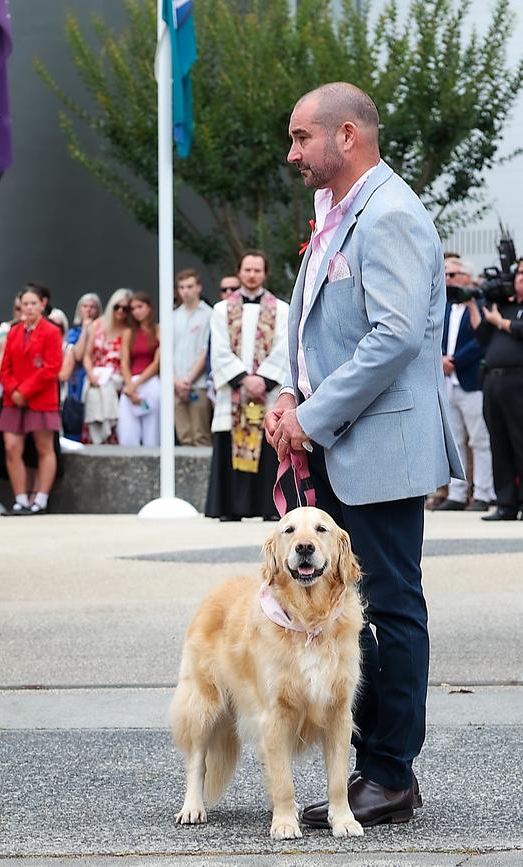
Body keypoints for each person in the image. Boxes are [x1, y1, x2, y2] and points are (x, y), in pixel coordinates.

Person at [266, 82, 463, 828]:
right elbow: (324, 331)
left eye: (301, 138)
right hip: (343, 440)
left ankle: (390, 776)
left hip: (378, 447)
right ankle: (367, 768)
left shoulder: (390, 215)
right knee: (355, 609)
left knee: (390, 610)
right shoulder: (336, 216)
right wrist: (291, 396)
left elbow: (393, 336)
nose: (293, 154)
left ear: (347, 135)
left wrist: (312, 415)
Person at [205, 250, 289, 521]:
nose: (252, 275)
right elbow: (218, 350)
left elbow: (284, 348)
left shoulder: (281, 309)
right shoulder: (221, 310)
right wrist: (243, 379)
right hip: (234, 393)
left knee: (267, 446)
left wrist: (263, 380)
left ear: (265, 273)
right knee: (231, 443)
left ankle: (270, 508)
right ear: (239, 272)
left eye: (257, 270)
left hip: (267, 392)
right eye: (247, 270)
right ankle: (230, 508)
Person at [434, 257, 494, 511]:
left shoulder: (480, 305)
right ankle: (457, 493)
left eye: (453, 275)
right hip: (447, 382)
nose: (448, 280)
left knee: (479, 440)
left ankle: (482, 492)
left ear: (467, 277)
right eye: (445, 275)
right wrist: (441, 359)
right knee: (454, 440)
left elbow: (481, 341)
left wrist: (455, 361)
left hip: (470, 381)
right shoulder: (444, 307)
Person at [0, 285, 63, 514]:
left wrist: (25, 391)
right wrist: (14, 390)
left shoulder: (52, 331)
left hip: (40, 398)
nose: (29, 308)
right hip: (13, 399)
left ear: (43, 304)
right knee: (11, 447)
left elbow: (51, 367)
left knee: (44, 447)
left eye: (33, 303)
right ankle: (21, 498)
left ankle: (41, 498)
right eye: (25, 304)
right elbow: (4, 367)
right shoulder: (14, 331)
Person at [471, 258, 523, 520]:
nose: (520, 278)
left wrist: (501, 322)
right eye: (519, 273)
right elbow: (481, 338)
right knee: (498, 443)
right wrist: (474, 306)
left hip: (518, 381)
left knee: (520, 442)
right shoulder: (502, 306)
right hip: (493, 381)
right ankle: (506, 504)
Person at [83, 288, 132, 444]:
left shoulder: (128, 331)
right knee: (94, 397)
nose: (120, 311)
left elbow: (125, 361)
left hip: (116, 380)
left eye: (125, 309)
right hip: (96, 377)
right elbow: (87, 355)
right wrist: (91, 374)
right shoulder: (97, 325)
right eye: (117, 307)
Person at [173, 268, 212, 446]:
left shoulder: (209, 314)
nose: (185, 291)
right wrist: (176, 381)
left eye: (189, 286)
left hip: (198, 384)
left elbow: (205, 351)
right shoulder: (172, 316)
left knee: (200, 435)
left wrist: (188, 380)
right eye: (181, 287)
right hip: (175, 385)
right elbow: (166, 352)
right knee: (183, 436)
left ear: (198, 288)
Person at [117, 291, 160, 447]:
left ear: (149, 308)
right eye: (133, 308)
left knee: (152, 432)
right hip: (131, 382)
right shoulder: (129, 332)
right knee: (128, 432)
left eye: (140, 307)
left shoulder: (158, 330)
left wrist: (135, 386)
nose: (136, 312)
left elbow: (157, 363)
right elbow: (124, 362)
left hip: (151, 382)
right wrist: (130, 387)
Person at [59, 293, 103, 440]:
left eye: (92, 307)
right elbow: (77, 355)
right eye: (85, 306)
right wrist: (86, 330)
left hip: (96, 378)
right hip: (76, 382)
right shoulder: (73, 333)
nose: (89, 310)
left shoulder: (103, 331)